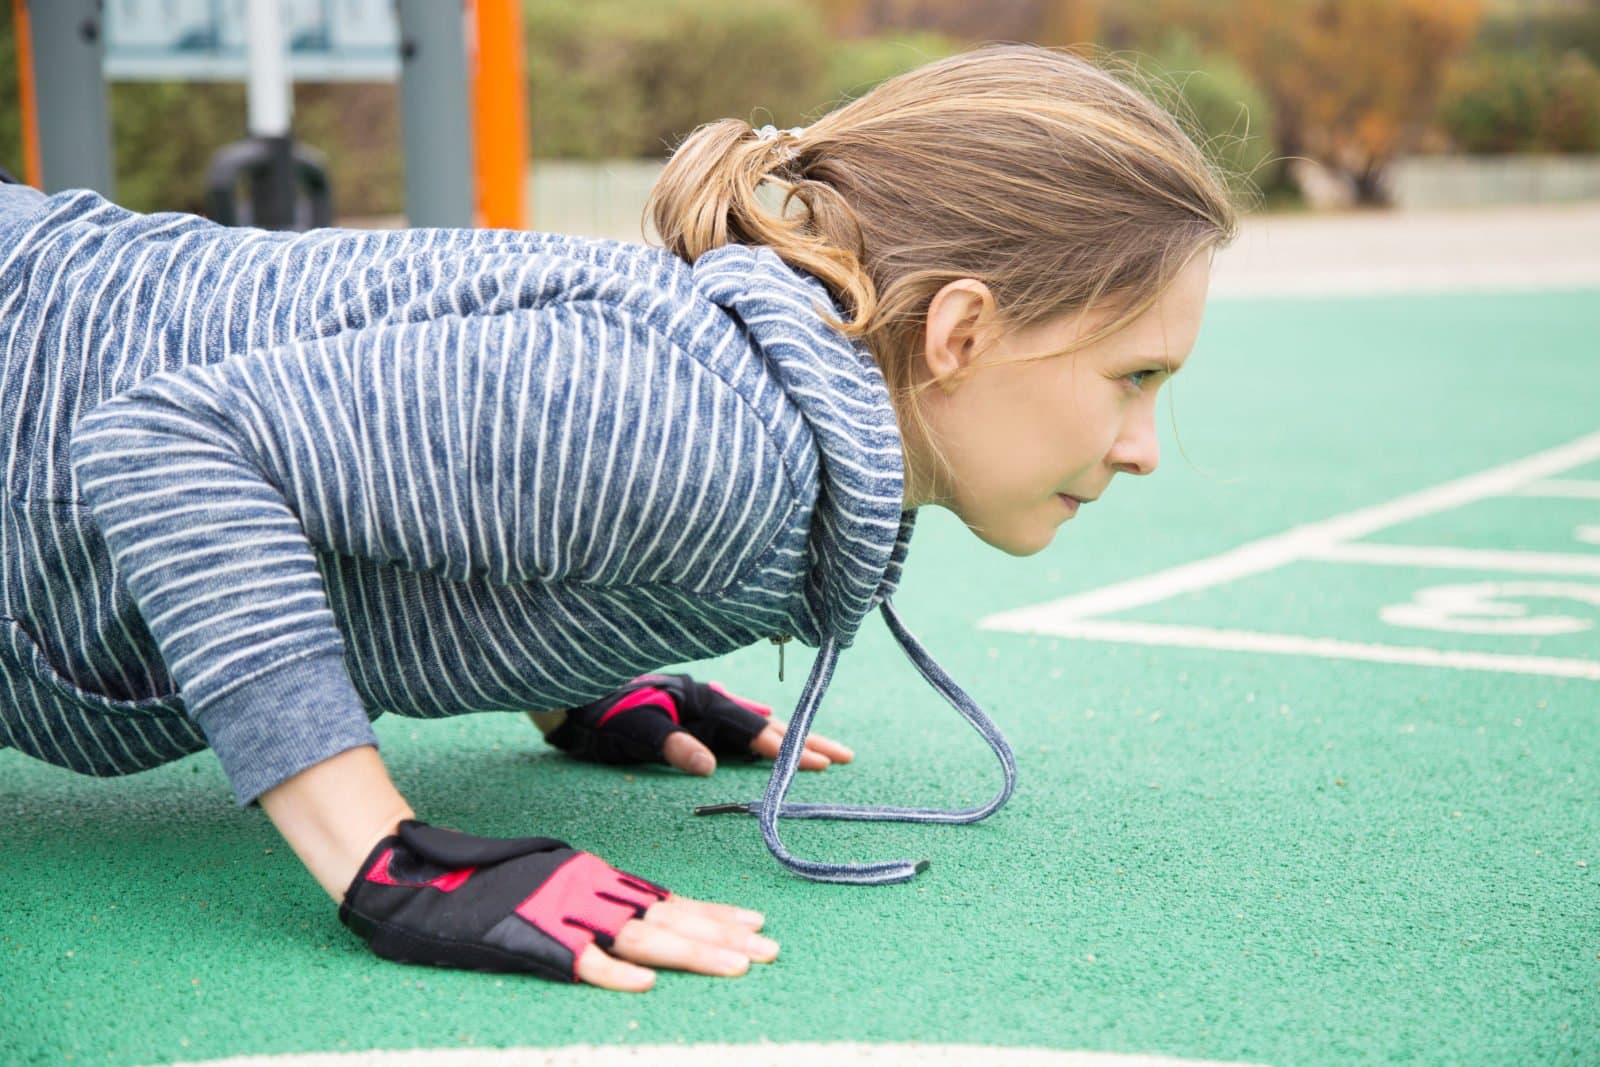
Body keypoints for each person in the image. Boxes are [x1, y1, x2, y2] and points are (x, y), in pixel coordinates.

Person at [0, 44, 1236, 991]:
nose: (1139, 449)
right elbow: (167, 443)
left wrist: (564, 665)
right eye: (1134, 377)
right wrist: (386, 857)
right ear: (960, 331)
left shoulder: (741, 412)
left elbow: (463, 480)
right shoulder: (709, 431)